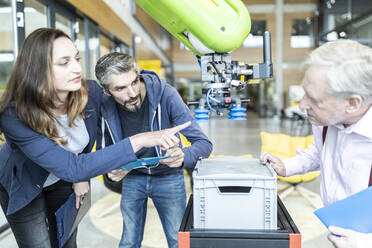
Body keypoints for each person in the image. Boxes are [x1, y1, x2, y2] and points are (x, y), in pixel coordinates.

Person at [0, 28, 189, 248]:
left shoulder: (89, 92)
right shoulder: (14, 115)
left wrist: (166, 115)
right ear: (38, 70)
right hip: (25, 182)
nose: (77, 68)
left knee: (67, 241)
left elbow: (130, 91)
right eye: (64, 63)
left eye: (77, 58)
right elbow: (73, 166)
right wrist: (141, 140)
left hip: (64, 179)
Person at [260, 39, 372, 248]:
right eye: (305, 92)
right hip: (340, 232)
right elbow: (320, 152)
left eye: (314, 99)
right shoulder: (326, 121)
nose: (302, 104)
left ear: (352, 103)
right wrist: (287, 166)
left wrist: (364, 243)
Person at [95, 52, 212, 248]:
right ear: (106, 91)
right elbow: (103, 151)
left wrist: (183, 157)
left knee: (178, 241)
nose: (132, 93)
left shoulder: (166, 94)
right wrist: (114, 167)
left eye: (134, 82)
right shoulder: (104, 106)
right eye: (121, 88)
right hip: (132, 177)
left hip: (169, 177)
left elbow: (204, 144)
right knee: (129, 241)